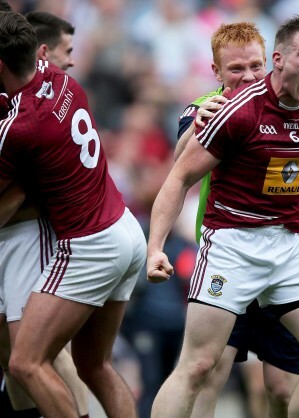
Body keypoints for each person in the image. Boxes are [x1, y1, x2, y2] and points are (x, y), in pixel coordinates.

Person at [147, 15, 299, 418]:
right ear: (282, 59)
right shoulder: (228, 110)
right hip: (232, 244)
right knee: (201, 366)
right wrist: (155, 249)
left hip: (292, 244)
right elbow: (179, 173)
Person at [0, 11, 147, 418]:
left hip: (91, 243)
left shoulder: (21, 127)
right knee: (95, 366)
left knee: (26, 362)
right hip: (126, 229)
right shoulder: (58, 77)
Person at [0, 9, 88, 418]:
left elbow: (25, 183)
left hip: (27, 234)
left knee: (38, 355)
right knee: (9, 352)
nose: (70, 61)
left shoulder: (33, 98)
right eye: (65, 50)